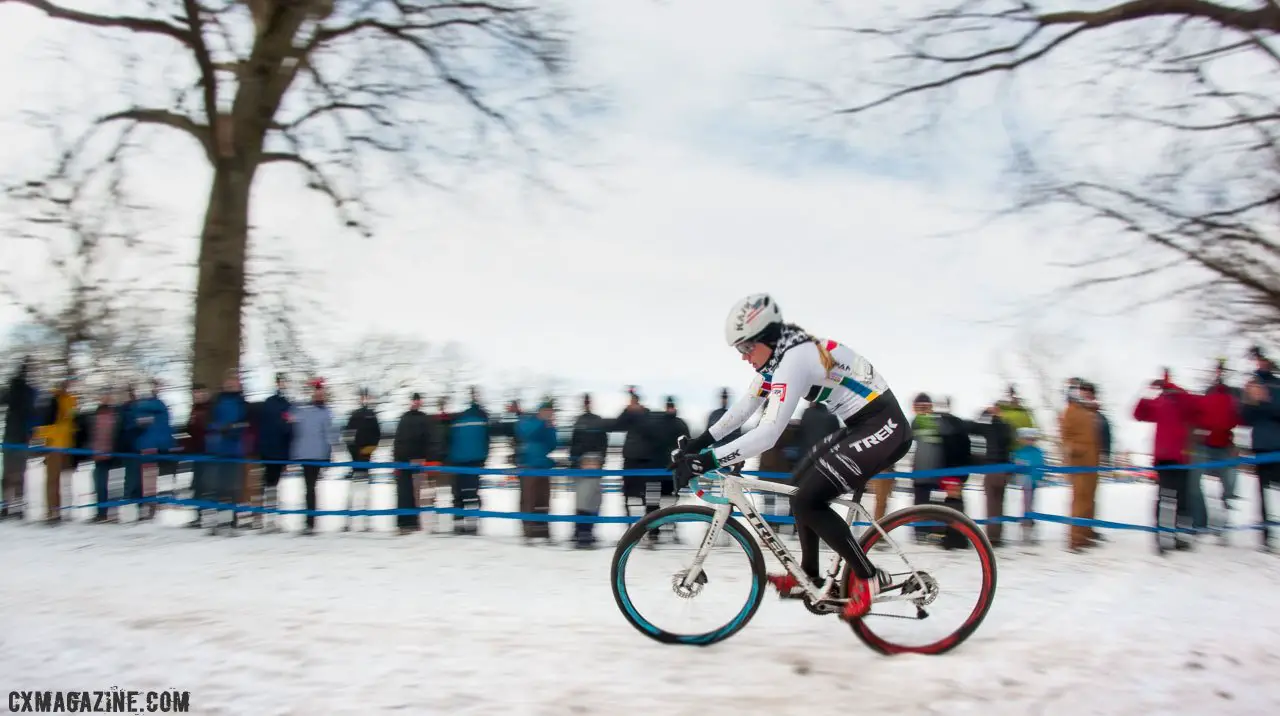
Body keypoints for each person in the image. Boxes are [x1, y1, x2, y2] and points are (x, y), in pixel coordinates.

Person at [670, 293, 911, 622]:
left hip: (884, 426)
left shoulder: (793, 359)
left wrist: (707, 461)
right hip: (860, 424)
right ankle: (809, 576)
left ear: (766, 338)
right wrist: (699, 444)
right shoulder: (780, 355)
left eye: (745, 347)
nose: (743, 357)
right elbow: (744, 409)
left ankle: (867, 577)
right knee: (799, 487)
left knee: (810, 500)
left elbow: (768, 434)